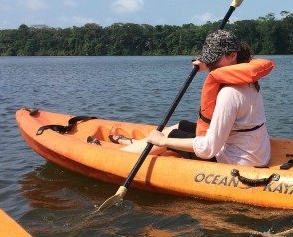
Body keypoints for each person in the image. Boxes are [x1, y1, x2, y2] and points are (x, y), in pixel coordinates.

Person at [117, 30, 274, 167]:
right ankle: (133, 144)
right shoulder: (248, 80)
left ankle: (122, 155)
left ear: (232, 55)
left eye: (213, 59)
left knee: (171, 136)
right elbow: (223, 68)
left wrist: (163, 141)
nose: (209, 64)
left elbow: (208, 149)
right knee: (182, 125)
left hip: (239, 159)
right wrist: (208, 64)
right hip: (255, 150)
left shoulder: (230, 93)